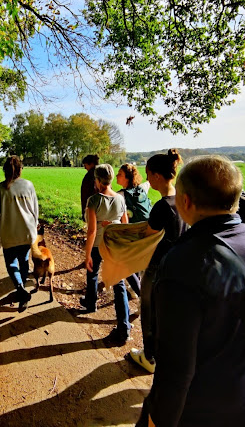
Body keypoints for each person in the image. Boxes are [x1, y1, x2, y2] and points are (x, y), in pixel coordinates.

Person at [139, 155, 245, 427]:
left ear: (185, 202)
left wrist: (157, 419)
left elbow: (175, 367)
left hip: (212, 406)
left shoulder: (184, 263)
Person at [128, 150, 188, 374]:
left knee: (149, 310)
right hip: (177, 266)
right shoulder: (182, 199)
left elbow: (147, 236)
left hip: (158, 267)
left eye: (148, 174)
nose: (146, 179)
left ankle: (149, 356)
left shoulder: (162, 206)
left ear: (158, 176)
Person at [82, 164, 131, 345]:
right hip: (114, 245)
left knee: (92, 273)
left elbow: (91, 231)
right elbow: (125, 225)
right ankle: (124, 326)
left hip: (97, 245)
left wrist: (87, 255)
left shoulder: (93, 201)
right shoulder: (120, 199)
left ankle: (91, 303)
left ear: (96, 180)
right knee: (119, 285)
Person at [0, 155, 39, 311]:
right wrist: (35, 225)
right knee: (24, 261)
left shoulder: (0, 188)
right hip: (27, 232)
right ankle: (22, 288)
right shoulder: (28, 185)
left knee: (11, 263)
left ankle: (20, 289)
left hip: (8, 234)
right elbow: (35, 210)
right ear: (20, 170)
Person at [116, 163, 152, 298]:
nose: (117, 177)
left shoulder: (120, 195)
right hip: (147, 232)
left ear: (127, 178)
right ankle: (134, 290)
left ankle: (142, 296)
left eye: (120, 174)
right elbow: (148, 183)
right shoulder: (142, 189)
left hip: (132, 234)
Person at [81, 154, 100, 221]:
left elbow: (85, 195)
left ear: (91, 164)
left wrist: (84, 212)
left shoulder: (90, 176)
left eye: (85, 165)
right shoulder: (102, 173)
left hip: (92, 208)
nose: (85, 168)